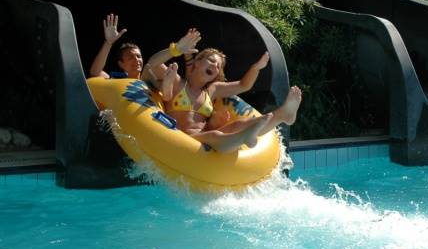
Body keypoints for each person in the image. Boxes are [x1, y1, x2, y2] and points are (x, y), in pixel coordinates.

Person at [147, 39, 302, 153]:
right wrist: (177, 49)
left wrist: (256, 68)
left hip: (202, 136)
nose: (215, 65)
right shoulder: (177, 81)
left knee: (241, 124)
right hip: (182, 137)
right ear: (198, 62)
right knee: (216, 134)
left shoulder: (212, 90)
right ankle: (243, 138)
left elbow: (244, 85)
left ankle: (283, 115)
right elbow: (152, 64)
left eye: (218, 66)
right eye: (211, 61)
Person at [88, 13, 143, 79]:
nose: (136, 59)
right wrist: (108, 43)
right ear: (121, 64)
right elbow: (95, 73)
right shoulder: (113, 80)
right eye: (130, 57)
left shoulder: (151, 82)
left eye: (139, 56)